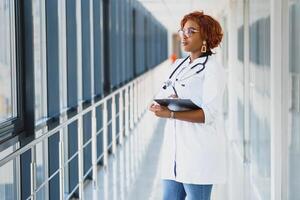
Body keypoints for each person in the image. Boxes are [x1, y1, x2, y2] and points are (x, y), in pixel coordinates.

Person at [149, 11, 227, 200]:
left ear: (205, 36)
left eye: (191, 31)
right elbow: (162, 92)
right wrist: (163, 104)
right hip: (174, 154)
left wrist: (172, 113)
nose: (184, 35)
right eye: (183, 30)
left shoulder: (212, 69)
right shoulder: (179, 64)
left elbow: (209, 114)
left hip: (198, 153)